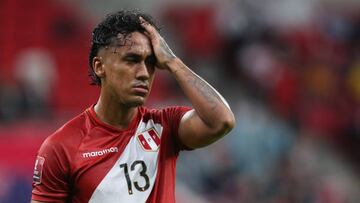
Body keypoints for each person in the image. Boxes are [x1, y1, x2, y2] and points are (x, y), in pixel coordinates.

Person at [31, 9, 235, 203]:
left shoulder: (164, 126)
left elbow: (222, 121)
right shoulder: (61, 148)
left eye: (151, 63)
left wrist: (172, 62)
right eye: (132, 60)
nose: (144, 73)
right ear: (99, 66)